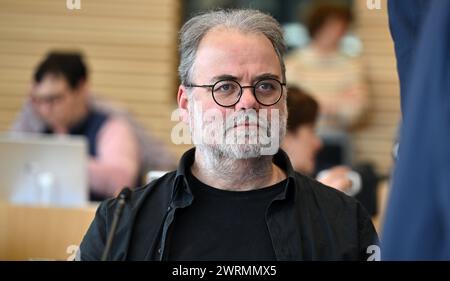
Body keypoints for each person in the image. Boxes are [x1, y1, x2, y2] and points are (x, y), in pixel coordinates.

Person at [79, 9, 378, 261]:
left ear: (283, 101)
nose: (248, 102)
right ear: (185, 104)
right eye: (224, 87)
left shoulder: (344, 223)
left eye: (266, 86)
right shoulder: (120, 223)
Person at [13, 52, 140, 201]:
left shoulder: (111, 127)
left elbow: (122, 180)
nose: (46, 109)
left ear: (81, 89)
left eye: (55, 99)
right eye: (39, 100)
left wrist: (57, 161)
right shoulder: (37, 127)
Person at [285, 2, 369, 172]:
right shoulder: (294, 63)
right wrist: (338, 102)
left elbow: (357, 109)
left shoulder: (352, 66)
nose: (337, 31)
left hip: (338, 144)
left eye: (342, 26)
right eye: (332, 25)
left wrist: (313, 101)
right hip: (299, 143)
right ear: (317, 25)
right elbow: (290, 107)